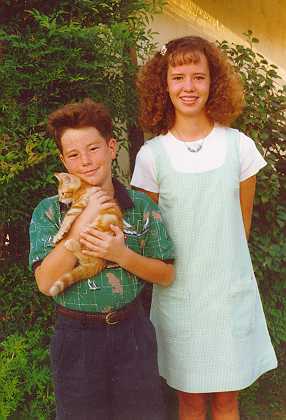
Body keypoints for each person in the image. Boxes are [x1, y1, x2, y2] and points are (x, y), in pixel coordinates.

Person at [131, 36, 278, 420]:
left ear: (214, 82)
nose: (188, 87)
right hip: (180, 298)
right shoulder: (151, 156)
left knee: (228, 399)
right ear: (163, 84)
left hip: (228, 294)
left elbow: (240, 228)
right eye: (178, 77)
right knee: (191, 400)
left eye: (199, 76)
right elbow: (148, 235)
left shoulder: (240, 148)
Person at [29, 98, 175, 420]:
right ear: (64, 161)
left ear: (111, 147)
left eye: (94, 148)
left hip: (132, 332)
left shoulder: (141, 207)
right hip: (76, 338)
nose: (86, 162)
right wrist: (80, 225)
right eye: (74, 154)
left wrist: (121, 255)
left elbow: (166, 274)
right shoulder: (49, 212)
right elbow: (45, 282)